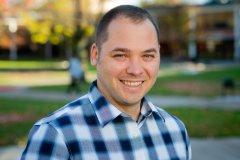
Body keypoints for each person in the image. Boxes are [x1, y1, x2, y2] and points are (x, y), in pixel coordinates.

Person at [20, 5, 191, 160]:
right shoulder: (56, 135)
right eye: (121, 55)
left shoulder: (175, 130)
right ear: (95, 55)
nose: (136, 70)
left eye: (147, 56)